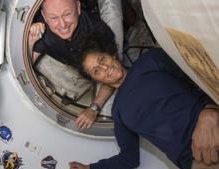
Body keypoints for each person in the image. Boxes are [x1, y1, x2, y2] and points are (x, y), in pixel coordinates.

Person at [69, 34, 219, 169]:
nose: (105, 67)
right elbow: (129, 159)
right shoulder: (118, 112)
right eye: (96, 71)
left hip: (212, 126)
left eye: (102, 59)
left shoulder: (151, 59)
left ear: (112, 55)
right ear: (96, 80)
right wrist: (90, 168)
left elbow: (201, 76)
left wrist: (210, 111)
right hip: (198, 159)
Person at [28, 0, 117, 129]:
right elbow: (26, 65)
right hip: (67, 65)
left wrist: (94, 108)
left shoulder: (98, 30)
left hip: (94, 71)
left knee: (111, 111)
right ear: (44, 16)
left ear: (78, 8)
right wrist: (31, 41)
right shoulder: (41, 29)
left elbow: (113, 73)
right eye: (54, 17)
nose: (62, 24)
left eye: (67, 14)